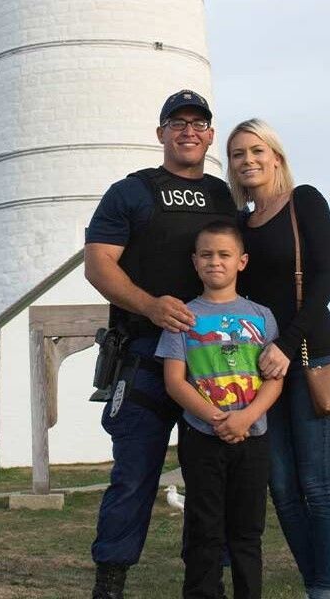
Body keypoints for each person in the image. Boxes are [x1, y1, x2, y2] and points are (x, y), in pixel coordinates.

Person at [84, 90, 237, 599]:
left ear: (210, 135)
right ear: (161, 133)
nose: (188, 131)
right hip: (145, 360)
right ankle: (110, 584)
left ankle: (207, 585)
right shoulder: (130, 193)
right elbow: (98, 264)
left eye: (199, 123)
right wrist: (149, 305)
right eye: (178, 122)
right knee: (134, 479)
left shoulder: (225, 198)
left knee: (214, 485)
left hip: (214, 363)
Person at [226, 118, 330, 599]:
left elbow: (327, 276)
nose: (248, 160)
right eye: (238, 154)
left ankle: (327, 591)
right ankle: (315, 583)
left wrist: (284, 342)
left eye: (257, 151)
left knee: (316, 484)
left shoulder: (305, 203)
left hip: (308, 354)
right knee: (280, 486)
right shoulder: (238, 224)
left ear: (275, 156)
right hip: (260, 368)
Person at [156, 221, 283, 599]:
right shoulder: (183, 317)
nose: (215, 262)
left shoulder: (262, 316)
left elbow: (275, 377)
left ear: (241, 262)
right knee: (204, 529)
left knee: (247, 533)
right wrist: (217, 418)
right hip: (202, 438)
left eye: (224, 255)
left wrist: (245, 417)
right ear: (195, 262)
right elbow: (175, 381)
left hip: (253, 437)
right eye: (207, 255)